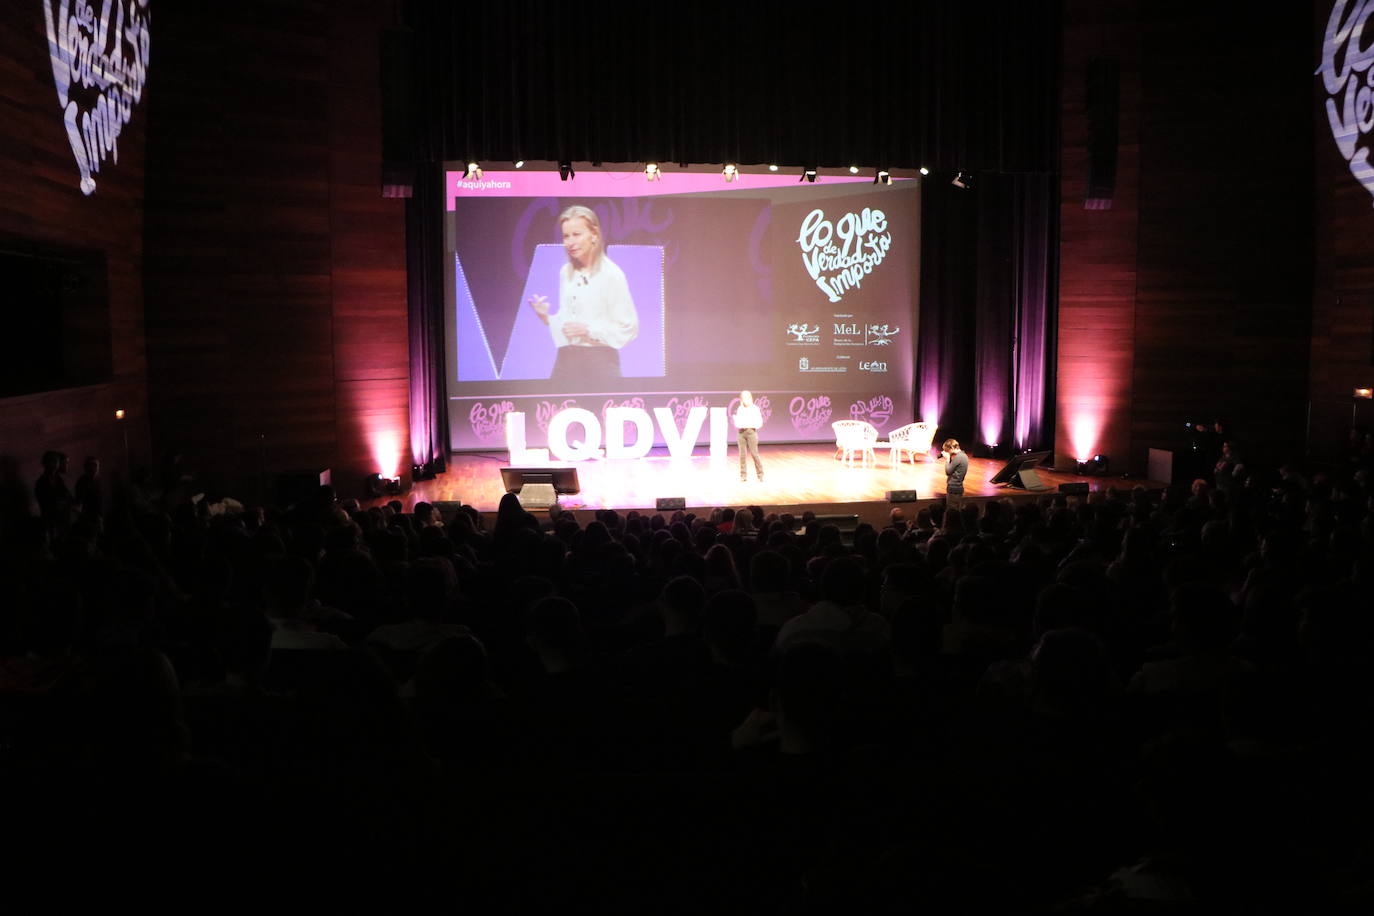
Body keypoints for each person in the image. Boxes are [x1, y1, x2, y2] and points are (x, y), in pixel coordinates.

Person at [527, 205, 638, 384]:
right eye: (566, 236)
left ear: (594, 235)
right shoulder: (566, 272)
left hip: (600, 362)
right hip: (566, 359)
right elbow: (568, 326)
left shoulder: (611, 274)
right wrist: (546, 317)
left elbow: (628, 328)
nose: (570, 242)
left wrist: (589, 331)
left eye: (576, 234)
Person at [733, 390, 765, 483]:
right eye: (743, 398)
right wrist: (738, 421)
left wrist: (750, 424)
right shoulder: (740, 409)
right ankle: (743, 475)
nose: (745, 400)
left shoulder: (755, 409)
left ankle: (760, 474)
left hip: (751, 432)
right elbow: (738, 422)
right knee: (742, 455)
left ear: (751, 398)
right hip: (741, 433)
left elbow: (759, 422)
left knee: (754, 454)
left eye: (747, 397)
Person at [941, 438, 968, 509]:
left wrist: (947, 459)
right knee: (956, 510)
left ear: (952, 448)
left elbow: (948, 471)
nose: (948, 453)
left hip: (953, 488)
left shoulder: (959, 457)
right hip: (958, 488)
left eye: (947, 451)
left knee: (952, 511)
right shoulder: (964, 456)